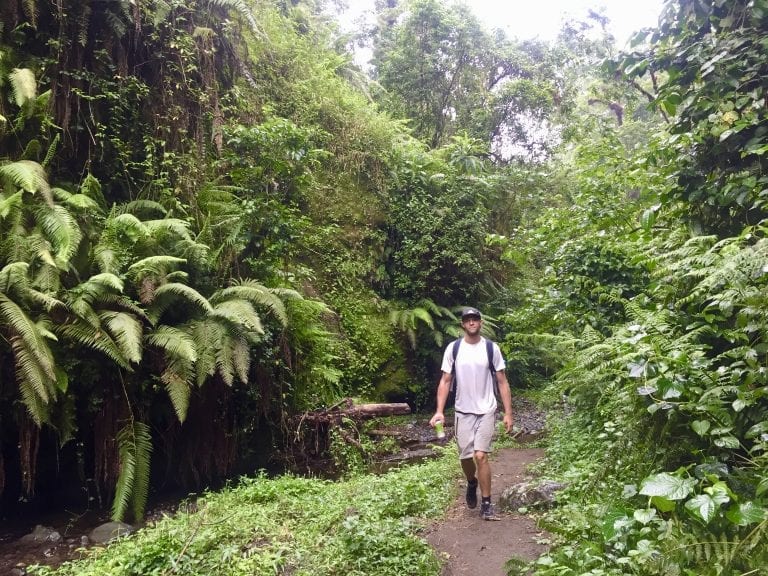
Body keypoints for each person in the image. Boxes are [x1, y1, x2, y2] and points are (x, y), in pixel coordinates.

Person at [429, 307, 513, 520]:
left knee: (480, 455)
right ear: (463, 324)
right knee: (466, 457)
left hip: (486, 409)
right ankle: (472, 481)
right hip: (462, 411)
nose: (472, 322)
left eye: (475, 319)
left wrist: (508, 413)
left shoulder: (491, 349)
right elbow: (445, 381)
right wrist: (439, 411)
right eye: (468, 320)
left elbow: (502, 381)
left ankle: (486, 504)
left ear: (480, 322)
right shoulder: (454, 349)